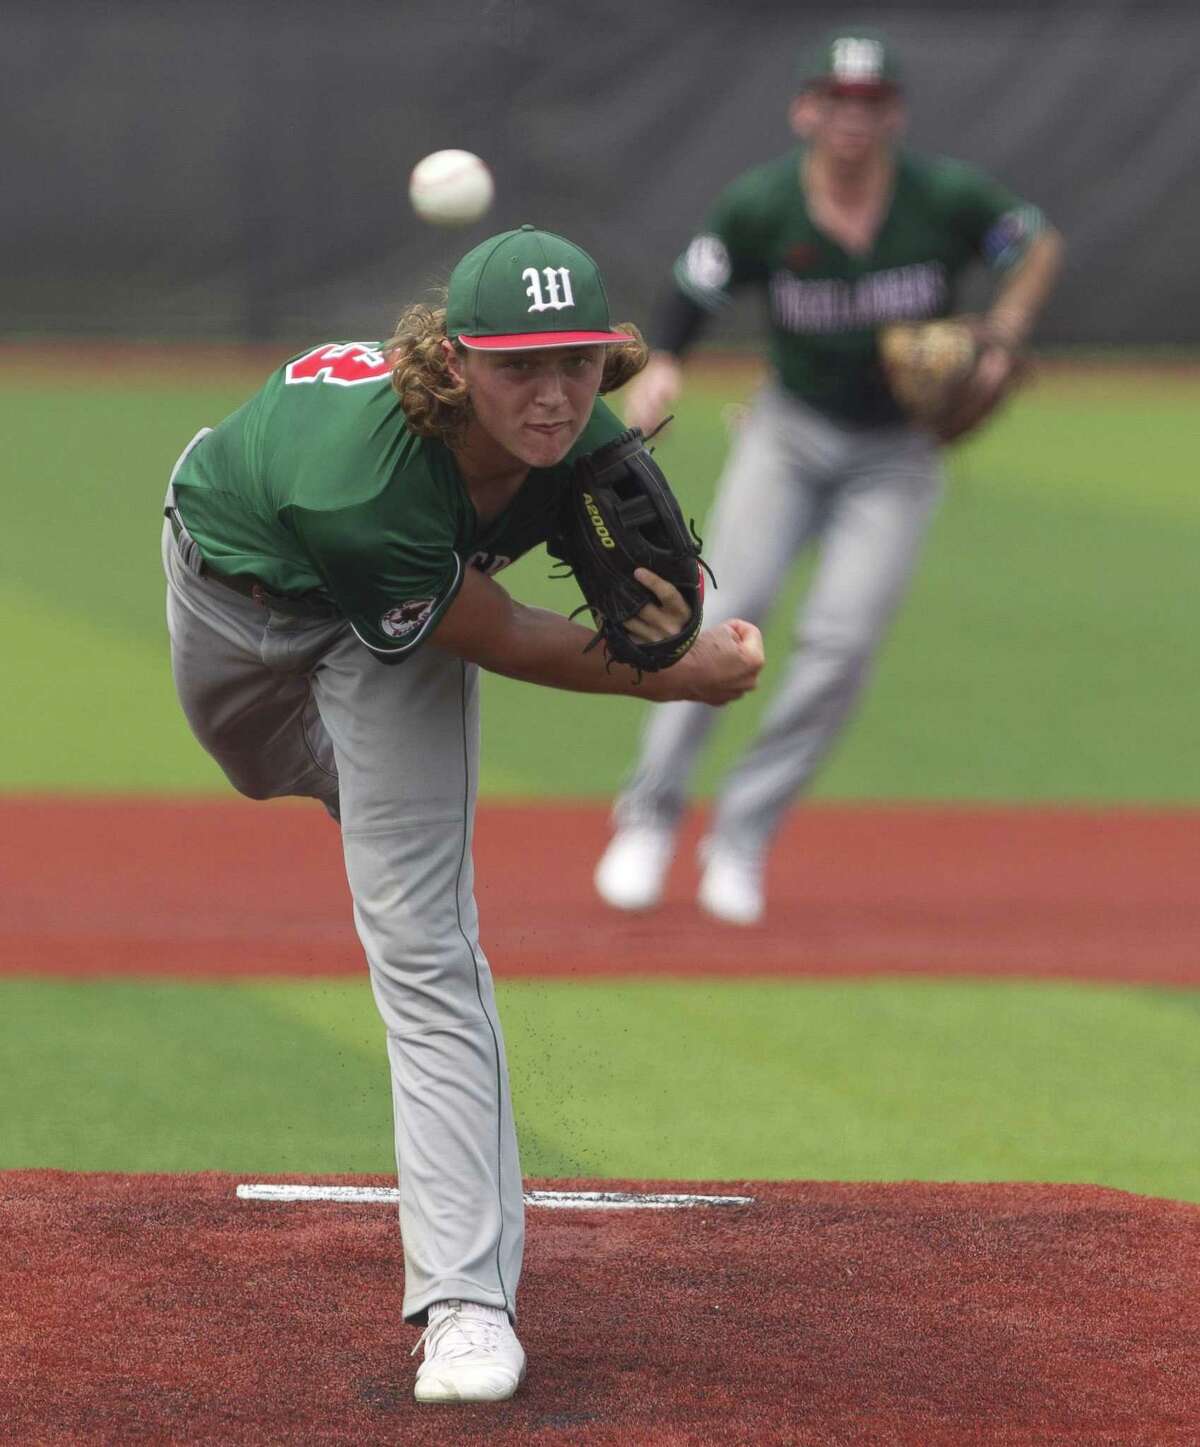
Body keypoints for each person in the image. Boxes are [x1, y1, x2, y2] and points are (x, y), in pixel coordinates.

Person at [161, 224, 764, 1403]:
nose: (553, 397)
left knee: (425, 943)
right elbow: (497, 631)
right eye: (518, 367)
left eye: (576, 364)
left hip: (394, 642)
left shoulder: (587, 435)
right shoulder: (363, 483)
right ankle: (397, 813)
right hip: (232, 587)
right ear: (456, 362)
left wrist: (688, 617)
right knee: (257, 767)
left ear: (606, 359)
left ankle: (467, 1303)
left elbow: (656, 577)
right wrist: (671, 678)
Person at [594, 28, 1064, 926]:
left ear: (895, 115)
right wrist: (667, 365)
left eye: (870, 102)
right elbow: (695, 287)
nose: (852, 117)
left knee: (840, 651)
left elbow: (1036, 243)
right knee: (720, 615)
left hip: (897, 457)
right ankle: (649, 815)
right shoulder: (764, 205)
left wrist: (1005, 332)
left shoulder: (943, 198)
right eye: (836, 100)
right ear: (804, 110)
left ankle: (742, 833)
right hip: (789, 436)